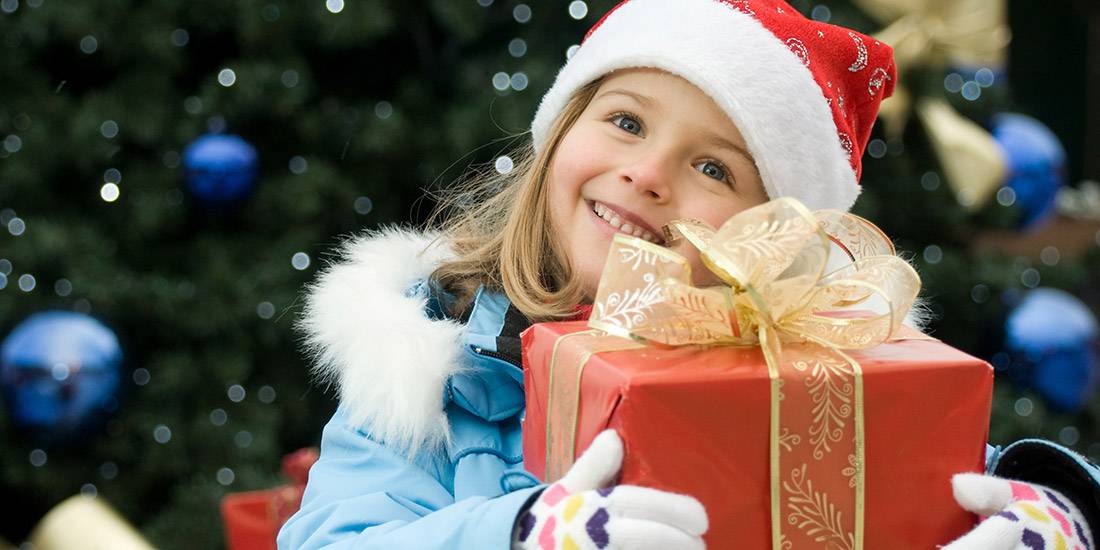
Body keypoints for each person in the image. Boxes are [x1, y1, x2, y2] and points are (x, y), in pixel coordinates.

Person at [277, 0, 1100, 548]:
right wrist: (521, 531)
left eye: (715, 168)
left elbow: (951, 471)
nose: (648, 174)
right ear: (559, 134)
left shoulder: (815, 374)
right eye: (626, 120)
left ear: (771, 238)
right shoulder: (438, 368)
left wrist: (1060, 506)